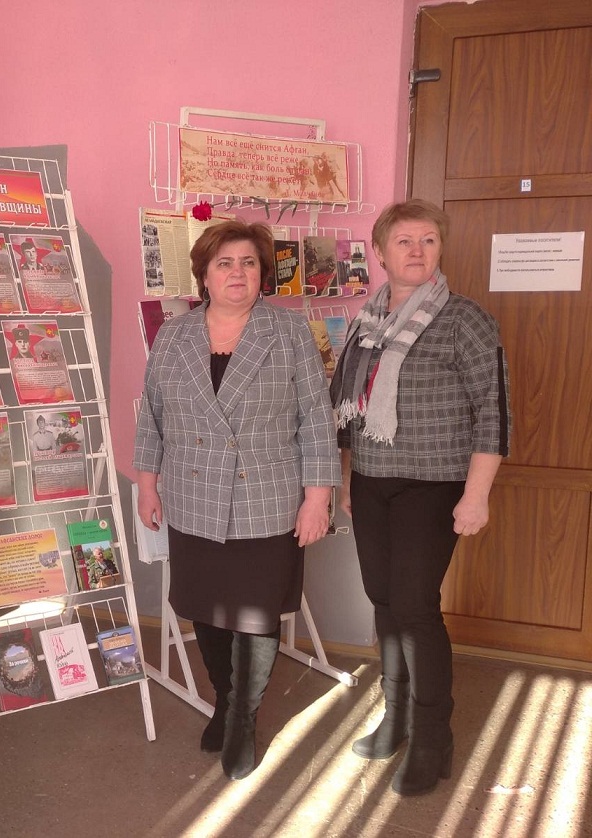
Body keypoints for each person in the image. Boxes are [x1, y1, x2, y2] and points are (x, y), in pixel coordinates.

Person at [134, 219, 339, 780]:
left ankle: (243, 719)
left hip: (266, 500)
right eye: (224, 263)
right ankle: (226, 701)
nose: (237, 273)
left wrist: (317, 499)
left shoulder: (289, 331)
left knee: (254, 615)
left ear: (262, 273)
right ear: (204, 274)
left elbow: (316, 420)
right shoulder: (174, 336)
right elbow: (152, 417)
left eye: (249, 263)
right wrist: (147, 484)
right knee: (208, 610)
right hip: (193, 497)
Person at [330, 199, 510, 797]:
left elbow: (493, 412)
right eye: (404, 241)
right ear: (380, 253)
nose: (416, 250)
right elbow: (349, 410)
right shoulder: (366, 321)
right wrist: (349, 478)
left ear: (439, 249)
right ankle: (396, 717)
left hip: (433, 484)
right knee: (383, 601)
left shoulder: (465, 319)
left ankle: (434, 736)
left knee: (414, 606)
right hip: (372, 482)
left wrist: (476, 495)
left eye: (427, 240)